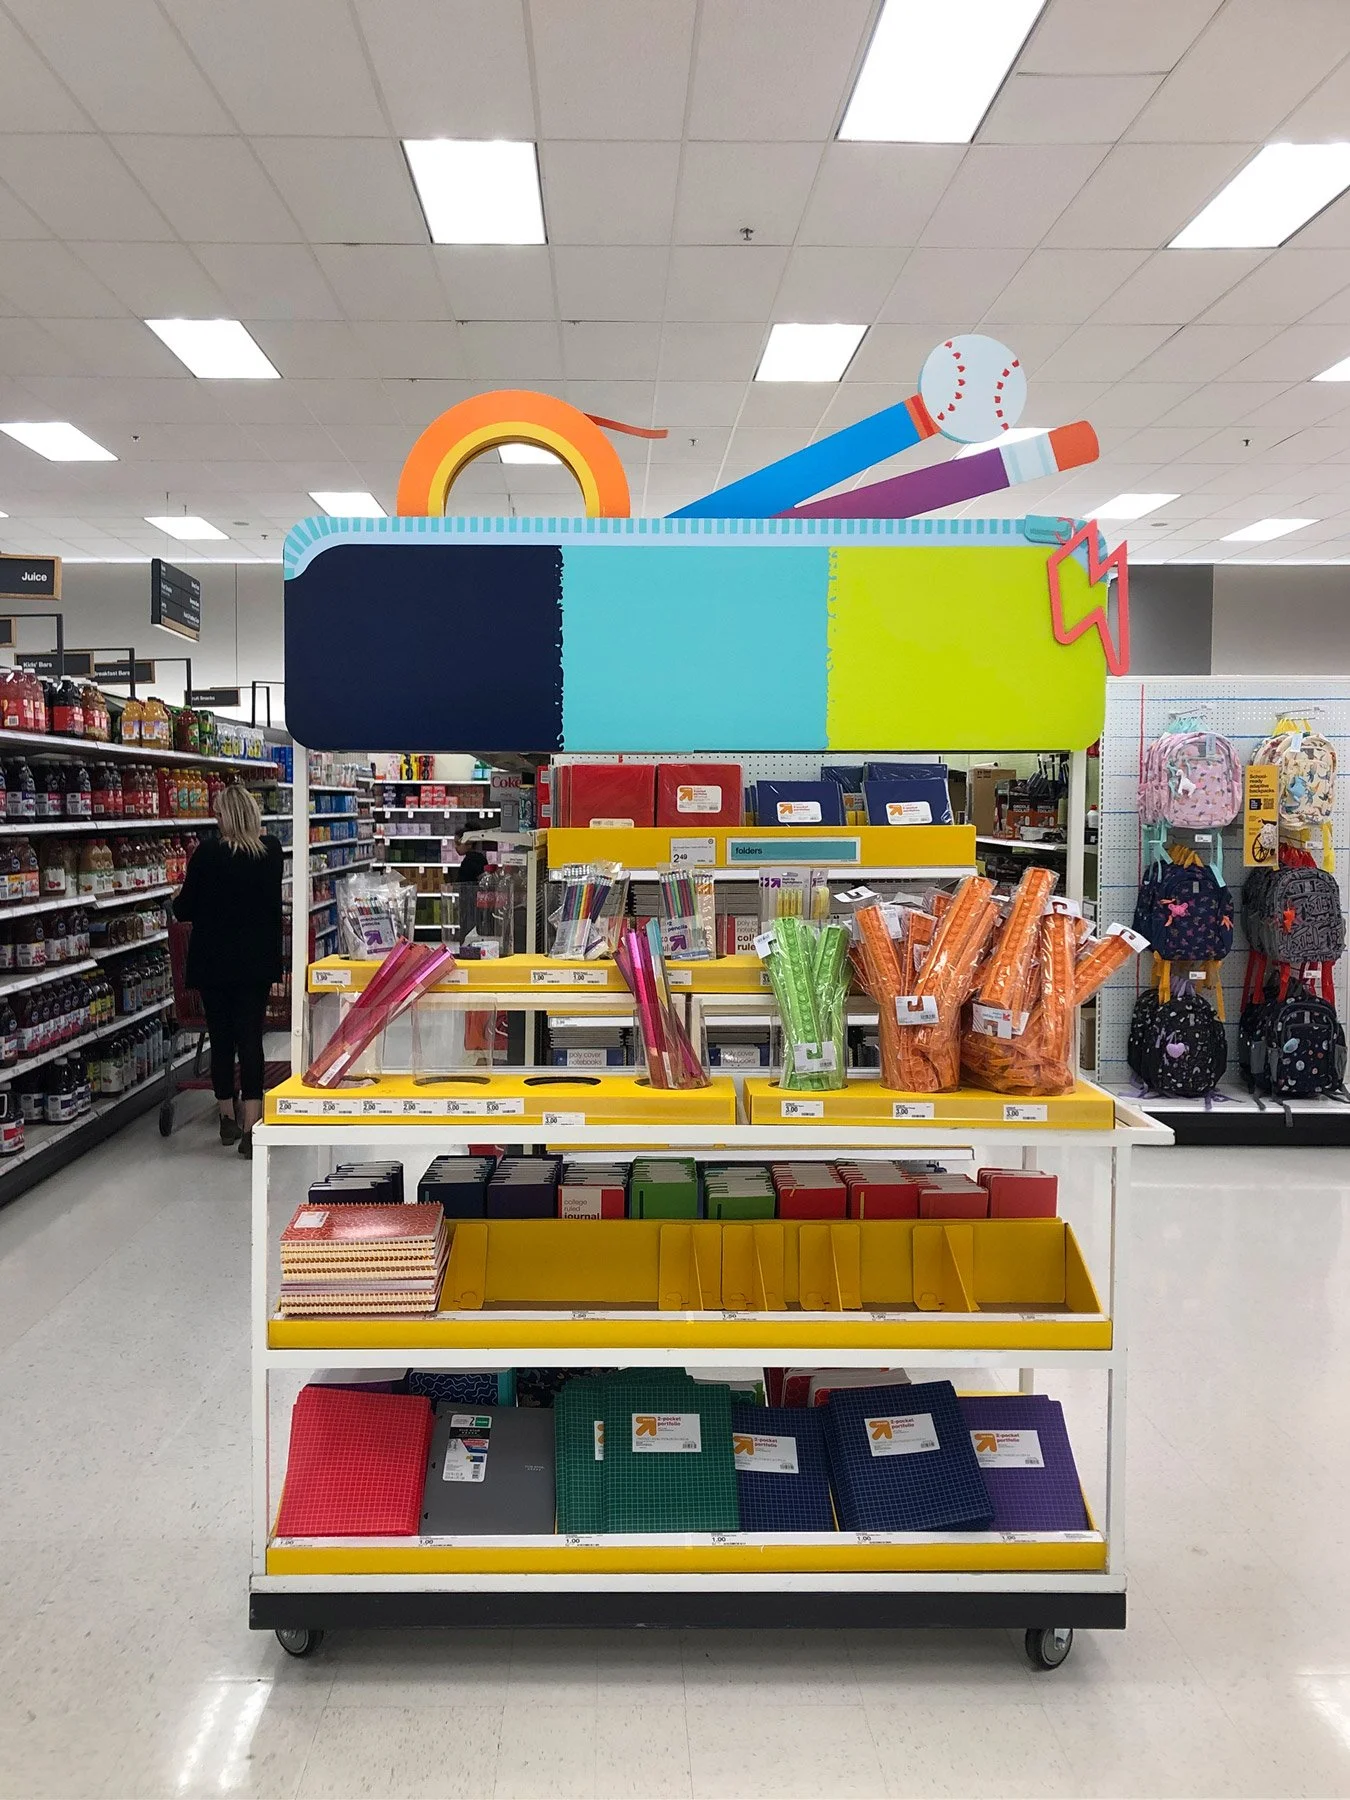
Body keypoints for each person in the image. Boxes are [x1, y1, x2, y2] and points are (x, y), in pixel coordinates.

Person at [172, 784, 284, 1159]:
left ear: (226, 816)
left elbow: (185, 909)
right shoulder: (271, 852)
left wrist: (177, 901)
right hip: (255, 962)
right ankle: (253, 1127)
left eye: (218, 814)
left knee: (221, 1038)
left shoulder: (207, 852)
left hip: (213, 962)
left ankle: (226, 1117)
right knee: (251, 1040)